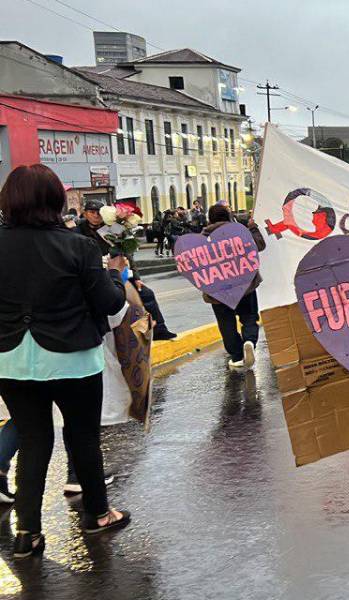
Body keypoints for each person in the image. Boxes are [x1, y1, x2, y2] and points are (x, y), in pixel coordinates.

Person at [0, 165, 132, 558]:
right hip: (72, 359)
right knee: (83, 437)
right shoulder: (78, 246)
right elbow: (109, 303)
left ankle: (28, 533)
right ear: (56, 201)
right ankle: (98, 514)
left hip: (10, 360)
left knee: (33, 440)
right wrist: (115, 275)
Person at [77, 199, 178, 340]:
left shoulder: (113, 227)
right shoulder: (77, 231)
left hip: (117, 272)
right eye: (91, 212)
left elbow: (127, 252)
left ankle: (158, 330)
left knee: (145, 294)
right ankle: (136, 335)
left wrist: (136, 277)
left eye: (98, 213)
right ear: (85, 213)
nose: (95, 216)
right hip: (95, 276)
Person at [202, 204, 266, 370]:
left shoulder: (202, 240)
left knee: (226, 324)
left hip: (218, 291)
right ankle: (249, 341)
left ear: (210, 219)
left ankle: (237, 356)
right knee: (249, 317)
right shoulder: (239, 232)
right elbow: (259, 245)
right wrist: (252, 228)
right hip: (245, 286)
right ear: (228, 216)